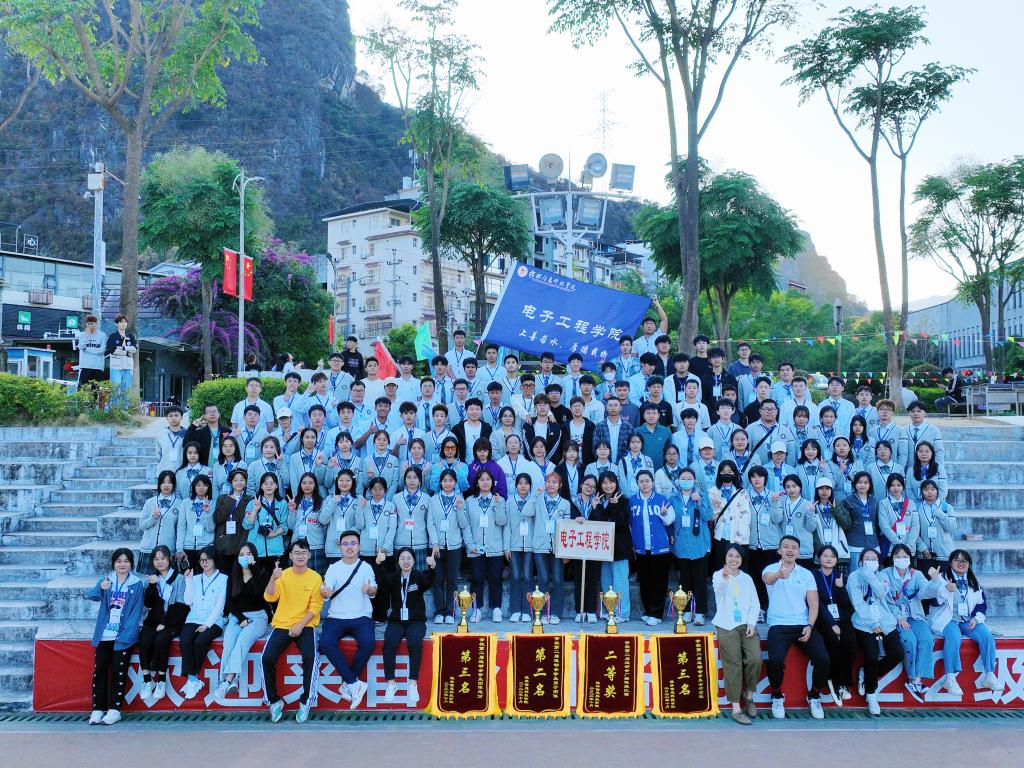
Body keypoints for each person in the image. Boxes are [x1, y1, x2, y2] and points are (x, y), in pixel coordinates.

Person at [761, 535, 830, 720]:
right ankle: (777, 696)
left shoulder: (806, 574)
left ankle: (814, 696)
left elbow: (813, 604)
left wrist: (809, 625)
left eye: (794, 547)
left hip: (802, 624)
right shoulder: (770, 569)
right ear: (779, 550)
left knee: (823, 659)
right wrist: (779, 575)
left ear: (799, 552)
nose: (790, 550)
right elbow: (767, 580)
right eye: (786, 547)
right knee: (775, 660)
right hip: (778, 624)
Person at [262, 539, 324, 723]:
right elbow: (269, 597)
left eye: (303, 553)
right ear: (290, 555)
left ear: (309, 555)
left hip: (306, 624)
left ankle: (306, 702)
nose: (300, 556)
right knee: (266, 658)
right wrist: (273, 578)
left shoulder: (315, 578)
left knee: (310, 658)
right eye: (296, 553)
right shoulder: (283, 575)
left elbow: (315, 607)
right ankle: (274, 702)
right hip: (282, 623)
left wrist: (300, 625)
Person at [929, 549, 1005, 696]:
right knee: (954, 637)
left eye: (964, 561)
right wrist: (945, 590)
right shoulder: (941, 579)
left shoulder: (973, 581)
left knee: (986, 635)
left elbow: (981, 605)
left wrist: (976, 619)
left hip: (967, 620)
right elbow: (933, 602)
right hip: (948, 619)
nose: (961, 563)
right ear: (950, 562)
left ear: (969, 564)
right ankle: (950, 678)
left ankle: (989, 675)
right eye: (957, 560)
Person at [319, 529, 377, 710]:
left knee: (368, 643)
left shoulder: (366, 567)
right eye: (345, 544)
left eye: (353, 543)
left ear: (359, 546)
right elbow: (326, 589)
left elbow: (374, 589)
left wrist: (369, 590)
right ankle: (354, 682)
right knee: (325, 643)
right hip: (337, 616)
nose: (349, 547)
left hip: (361, 615)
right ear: (339, 547)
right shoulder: (333, 568)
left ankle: (349, 683)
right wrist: (324, 592)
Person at [87, 548, 144, 725]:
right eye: (119, 561)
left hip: (123, 636)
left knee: (119, 672)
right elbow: (91, 595)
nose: (122, 564)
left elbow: (136, 612)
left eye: (126, 561)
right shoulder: (106, 579)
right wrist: (100, 588)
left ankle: (114, 710)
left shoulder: (136, 583)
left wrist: (126, 635)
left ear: (131, 563)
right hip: (104, 634)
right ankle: (98, 708)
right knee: (100, 671)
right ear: (113, 563)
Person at [846, 548, 905, 715]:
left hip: (885, 620)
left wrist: (870, 576)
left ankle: (866, 674)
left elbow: (881, 593)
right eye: (867, 558)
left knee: (897, 654)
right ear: (861, 561)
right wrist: (872, 623)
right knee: (871, 657)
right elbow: (858, 604)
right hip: (863, 622)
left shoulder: (883, 576)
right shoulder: (853, 577)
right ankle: (871, 695)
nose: (871, 561)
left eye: (874, 559)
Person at [878, 543, 939, 702]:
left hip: (915, 615)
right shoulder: (885, 574)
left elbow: (926, 593)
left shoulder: (916, 575)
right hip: (895, 617)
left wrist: (934, 581)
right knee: (909, 640)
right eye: (898, 556)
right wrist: (899, 617)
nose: (901, 559)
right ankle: (912, 678)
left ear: (910, 559)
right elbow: (885, 600)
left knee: (927, 639)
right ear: (892, 558)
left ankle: (917, 680)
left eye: (905, 556)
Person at [380, 547, 437, 706]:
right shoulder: (394, 577)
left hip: (416, 620)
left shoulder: (418, 577)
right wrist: (379, 564)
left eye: (409, 558)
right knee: (389, 644)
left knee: (415, 644)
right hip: (396, 620)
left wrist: (432, 567)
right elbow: (383, 581)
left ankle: (413, 683)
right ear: (398, 561)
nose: (406, 561)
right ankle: (391, 683)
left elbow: (429, 581)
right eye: (403, 558)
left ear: (414, 561)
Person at [713, 545, 762, 725]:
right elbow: (720, 590)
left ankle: (748, 695)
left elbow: (755, 603)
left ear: (742, 559)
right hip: (726, 624)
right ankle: (736, 709)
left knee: (755, 658)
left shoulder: (747, 578)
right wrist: (725, 577)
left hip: (746, 624)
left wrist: (752, 623)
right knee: (733, 665)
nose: (734, 559)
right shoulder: (718, 575)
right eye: (730, 555)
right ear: (725, 557)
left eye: (737, 556)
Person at [214, 542, 270, 698]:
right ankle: (230, 682)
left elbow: (261, 597)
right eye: (241, 554)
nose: (245, 557)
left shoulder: (262, 575)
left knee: (243, 640)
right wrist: (241, 618)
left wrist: (253, 569)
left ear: (254, 556)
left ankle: (227, 680)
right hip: (237, 616)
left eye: (248, 554)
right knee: (229, 642)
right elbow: (230, 602)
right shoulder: (233, 577)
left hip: (258, 616)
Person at [137, 545, 187, 705]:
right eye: (156, 559)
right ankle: (147, 679)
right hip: (154, 620)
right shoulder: (153, 578)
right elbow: (149, 603)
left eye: (163, 558)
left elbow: (182, 605)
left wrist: (165, 623)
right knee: (144, 639)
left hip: (172, 621)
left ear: (169, 559)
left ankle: (161, 679)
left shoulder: (179, 578)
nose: (160, 562)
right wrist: (152, 585)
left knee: (161, 640)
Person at [178, 545, 227, 700]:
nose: (204, 563)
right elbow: (188, 601)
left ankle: (192, 679)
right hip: (194, 618)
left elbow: (220, 605)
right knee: (185, 640)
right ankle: (193, 679)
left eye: (207, 559)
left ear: (214, 560)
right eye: (201, 560)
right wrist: (188, 581)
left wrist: (207, 624)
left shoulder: (224, 579)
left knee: (200, 642)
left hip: (214, 621)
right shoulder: (196, 578)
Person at [667, 466, 712, 625]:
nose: (686, 481)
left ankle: (700, 612)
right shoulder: (673, 498)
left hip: (699, 545)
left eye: (689, 479)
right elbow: (670, 520)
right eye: (683, 479)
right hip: (681, 545)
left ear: (694, 481)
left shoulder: (702, 495)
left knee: (700, 581)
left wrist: (699, 501)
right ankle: (685, 610)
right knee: (684, 581)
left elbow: (708, 515)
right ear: (678, 481)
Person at [630, 469, 675, 626]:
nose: (645, 484)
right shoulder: (632, 501)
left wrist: (664, 513)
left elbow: (670, 520)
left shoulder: (661, 499)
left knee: (659, 582)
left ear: (653, 482)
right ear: (637, 483)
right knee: (645, 582)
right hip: (641, 548)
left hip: (660, 548)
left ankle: (657, 613)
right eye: (641, 481)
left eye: (647, 481)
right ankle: (648, 611)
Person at [812, 545, 856, 706]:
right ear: (819, 559)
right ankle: (833, 680)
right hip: (821, 618)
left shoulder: (840, 576)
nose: (829, 559)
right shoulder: (813, 575)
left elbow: (846, 605)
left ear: (837, 560)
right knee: (833, 641)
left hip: (841, 617)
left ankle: (843, 683)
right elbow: (817, 603)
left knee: (851, 642)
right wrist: (831, 623)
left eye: (832, 556)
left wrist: (840, 588)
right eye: (825, 556)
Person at [464, 469, 509, 622]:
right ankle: (476, 609)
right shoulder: (469, 501)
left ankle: (496, 609)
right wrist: (470, 545)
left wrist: (498, 505)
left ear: (492, 482)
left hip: (494, 547)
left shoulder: (499, 500)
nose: (485, 482)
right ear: (477, 482)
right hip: (475, 548)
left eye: (488, 479)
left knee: (495, 579)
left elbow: (502, 522)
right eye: (482, 479)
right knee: (476, 578)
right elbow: (466, 525)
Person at [428, 469, 471, 623]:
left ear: (455, 483)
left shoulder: (460, 499)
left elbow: (463, 524)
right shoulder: (433, 500)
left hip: (454, 545)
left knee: (452, 580)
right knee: (438, 579)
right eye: (445, 481)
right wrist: (435, 543)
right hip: (437, 546)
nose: (448, 484)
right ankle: (439, 612)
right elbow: (430, 523)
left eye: (451, 481)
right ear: (440, 482)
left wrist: (459, 509)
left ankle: (450, 612)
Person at [531, 472, 573, 623]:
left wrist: (566, 551)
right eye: (548, 481)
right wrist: (535, 495)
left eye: (554, 482)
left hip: (558, 547)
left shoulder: (565, 503)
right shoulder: (538, 500)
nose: (550, 485)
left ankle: (555, 612)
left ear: (560, 485)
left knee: (557, 579)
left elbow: (567, 527)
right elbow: (527, 512)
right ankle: (542, 613)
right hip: (540, 545)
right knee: (543, 579)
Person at [592, 471, 633, 622]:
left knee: (620, 583)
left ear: (616, 483)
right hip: (603, 548)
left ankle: (622, 613)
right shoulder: (598, 500)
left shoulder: (623, 500)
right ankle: (610, 610)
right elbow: (599, 524)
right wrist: (596, 508)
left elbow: (622, 524)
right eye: (604, 482)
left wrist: (614, 507)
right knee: (606, 582)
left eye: (611, 482)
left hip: (620, 548)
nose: (608, 485)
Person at [710, 460, 751, 572]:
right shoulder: (713, 491)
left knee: (739, 571)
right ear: (719, 473)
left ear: (734, 473)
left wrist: (738, 539)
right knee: (721, 569)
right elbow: (711, 516)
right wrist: (717, 507)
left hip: (739, 538)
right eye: (723, 472)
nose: (726, 474)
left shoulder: (742, 492)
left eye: (730, 471)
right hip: (721, 536)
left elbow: (746, 517)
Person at [243, 472, 290, 570]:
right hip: (255, 549)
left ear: (276, 486)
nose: (269, 486)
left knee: (275, 578)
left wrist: (274, 534)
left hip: (275, 548)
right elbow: (246, 525)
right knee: (256, 578)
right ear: (261, 486)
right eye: (265, 483)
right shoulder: (253, 503)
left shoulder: (282, 503)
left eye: (272, 483)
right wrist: (255, 510)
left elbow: (284, 525)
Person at [139, 471, 182, 575]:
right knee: (149, 582)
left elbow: (180, 529)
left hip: (168, 551)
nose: (166, 485)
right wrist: (153, 518)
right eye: (163, 482)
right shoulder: (150, 502)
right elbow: (142, 525)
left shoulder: (180, 504)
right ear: (159, 484)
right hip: (148, 549)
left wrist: (179, 549)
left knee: (167, 581)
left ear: (174, 484)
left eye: (169, 482)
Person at [839, 471, 880, 574]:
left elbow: (877, 523)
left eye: (866, 483)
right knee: (855, 574)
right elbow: (844, 523)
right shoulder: (847, 501)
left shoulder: (875, 501)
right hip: (855, 544)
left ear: (870, 485)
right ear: (855, 484)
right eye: (859, 482)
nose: (862, 485)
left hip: (872, 543)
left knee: (873, 574)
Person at [212, 468, 252, 574]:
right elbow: (218, 519)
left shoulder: (250, 500)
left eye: (242, 480)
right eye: (235, 480)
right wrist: (230, 500)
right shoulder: (222, 498)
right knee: (224, 576)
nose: (239, 482)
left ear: (246, 482)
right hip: (224, 543)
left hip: (241, 543)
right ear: (231, 482)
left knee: (240, 577)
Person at [290, 471, 328, 575]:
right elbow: (290, 525)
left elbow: (324, 525)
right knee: (297, 578)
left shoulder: (321, 502)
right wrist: (291, 511)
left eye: (310, 483)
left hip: (315, 545)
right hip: (297, 544)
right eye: (304, 483)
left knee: (316, 577)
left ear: (315, 485)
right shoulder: (295, 501)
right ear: (300, 485)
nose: (307, 486)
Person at [176, 474, 215, 572]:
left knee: (204, 576)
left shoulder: (213, 503)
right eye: (198, 485)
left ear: (209, 487)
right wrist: (179, 548)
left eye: (205, 485)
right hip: (187, 547)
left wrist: (207, 513)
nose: (201, 488)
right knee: (187, 576)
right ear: (194, 487)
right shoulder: (186, 503)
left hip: (206, 547)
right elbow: (181, 526)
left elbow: (211, 528)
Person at [779, 475, 816, 569]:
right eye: (788, 487)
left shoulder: (807, 504)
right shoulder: (781, 501)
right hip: (785, 550)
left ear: (800, 487)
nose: (791, 489)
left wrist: (810, 513)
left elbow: (811, 528)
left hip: (803, 550)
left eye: (794, 486)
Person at [104, 314, 137, 410]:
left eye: (125, 322)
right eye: (121, 322)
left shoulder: (130, 336)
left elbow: (134, 349)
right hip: (116, 367)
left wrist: (122, 348)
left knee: (126, 388)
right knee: (115, 388)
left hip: (128, 366)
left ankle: (124, 409)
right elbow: (112, 350)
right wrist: (127, 352)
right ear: (116, 324)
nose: (124, 324)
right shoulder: (112, 336)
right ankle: (114, 409)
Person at [73, 314, 108, 387]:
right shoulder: (82, 334)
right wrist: (86, 335)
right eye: (88, 323)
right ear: (86, 324)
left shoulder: (102, 335)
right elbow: (81, 347)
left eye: (92, 323)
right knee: (82, 388)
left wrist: (86, 349)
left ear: (96, 324)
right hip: (86, 365)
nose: (90, 325)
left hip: (98, 366)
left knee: (95, 389)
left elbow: (101, 350)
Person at [155, 406, 188, 478]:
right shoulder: (161, 435)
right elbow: (158, 456)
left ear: (181, 417)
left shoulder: (187, 434)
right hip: (164, 473)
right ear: (167, 418)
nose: (173, 418)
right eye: (170, 416)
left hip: (182, 473)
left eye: (176, 415)